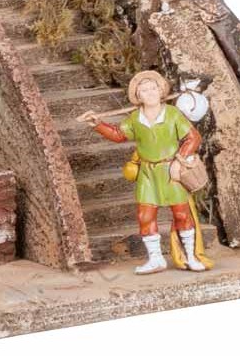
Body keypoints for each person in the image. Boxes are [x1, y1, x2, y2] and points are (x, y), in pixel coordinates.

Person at [79, 69, 212, 274]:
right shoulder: (135, 118)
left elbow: (193, 137)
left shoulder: (172, 114)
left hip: (171, 172)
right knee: (145, 216)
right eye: (144, 90)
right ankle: (156, 259)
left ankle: (190, 256)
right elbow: (118, 135)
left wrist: (179, 160)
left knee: (182, 214)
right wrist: (98, 124)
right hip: (148, 174)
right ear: (138, 96)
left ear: (161, 91)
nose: (149, 93)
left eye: (153, 88)